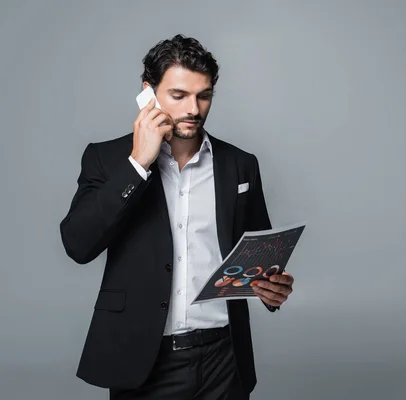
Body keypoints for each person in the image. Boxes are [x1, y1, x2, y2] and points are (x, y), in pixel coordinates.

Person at [59, 34, 294, 399]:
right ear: (148, 93)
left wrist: (272, 289)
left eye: (204, 96)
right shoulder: (106, 160)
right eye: (179, 95)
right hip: (144, 360)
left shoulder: (240, 164)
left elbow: (259, 253)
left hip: (224, 357)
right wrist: (138, 163)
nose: (194, 109)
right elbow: (77, 243)